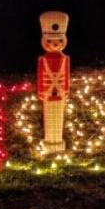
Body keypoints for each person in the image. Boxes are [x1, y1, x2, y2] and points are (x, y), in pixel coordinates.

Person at [37, 11, 70, 153]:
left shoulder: (65, 59)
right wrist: (40, 91)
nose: (55, 45)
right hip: (47, 93)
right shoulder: (42, 60)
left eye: (58, 41)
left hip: (61, 93)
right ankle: (49, 143)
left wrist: (66, 90)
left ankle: (57, 144)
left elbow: (67, 76)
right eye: (51, 41)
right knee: (49, 120)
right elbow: (40, 76)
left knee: (59, 119)